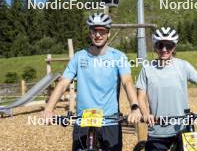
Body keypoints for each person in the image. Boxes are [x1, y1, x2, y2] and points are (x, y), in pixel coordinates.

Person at [42, 13, 141, 151]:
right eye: (95, 30)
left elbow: (127, 82)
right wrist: (49, 109)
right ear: (90, 33)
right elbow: (64, 82)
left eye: (102, 31)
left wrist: (135, 108)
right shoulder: (79, 57)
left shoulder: (118, 57)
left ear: (108, 33)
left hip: (109, 120)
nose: (98, 35)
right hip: (83, 120)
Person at [136, 27, 197, 151]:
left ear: (174, 47)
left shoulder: (183, 66)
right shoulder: (147, 69)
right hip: (156, 130)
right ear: (155, 46)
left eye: (169, 46)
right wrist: (145, 113)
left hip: (183, 127)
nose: (164, 49)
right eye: (160, 45)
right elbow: (141, 96)